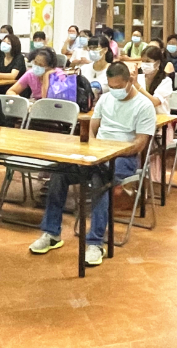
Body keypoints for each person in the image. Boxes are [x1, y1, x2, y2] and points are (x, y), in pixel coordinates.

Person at [29, 62, 156, 266]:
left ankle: (95, 243)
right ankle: (51, 233)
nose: (114, 90)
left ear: (129, 81)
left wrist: (112, 152)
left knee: (100, 181)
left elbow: (140, 144)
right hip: (98, 154)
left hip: (123, 158)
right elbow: (92, 128)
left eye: (118, 87)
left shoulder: (144, 105)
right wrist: (95, 149)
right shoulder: (105, 99)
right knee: (59, 173)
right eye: (111, 86)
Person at [136, 45, 176, 114]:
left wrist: (137, 86)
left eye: (148, 61)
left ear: (157, 63)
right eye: (143, 61)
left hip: (160, 118)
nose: (144, 64)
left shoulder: (166, 81)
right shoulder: (138, 78)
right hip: (142, 116)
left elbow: (155, 102)